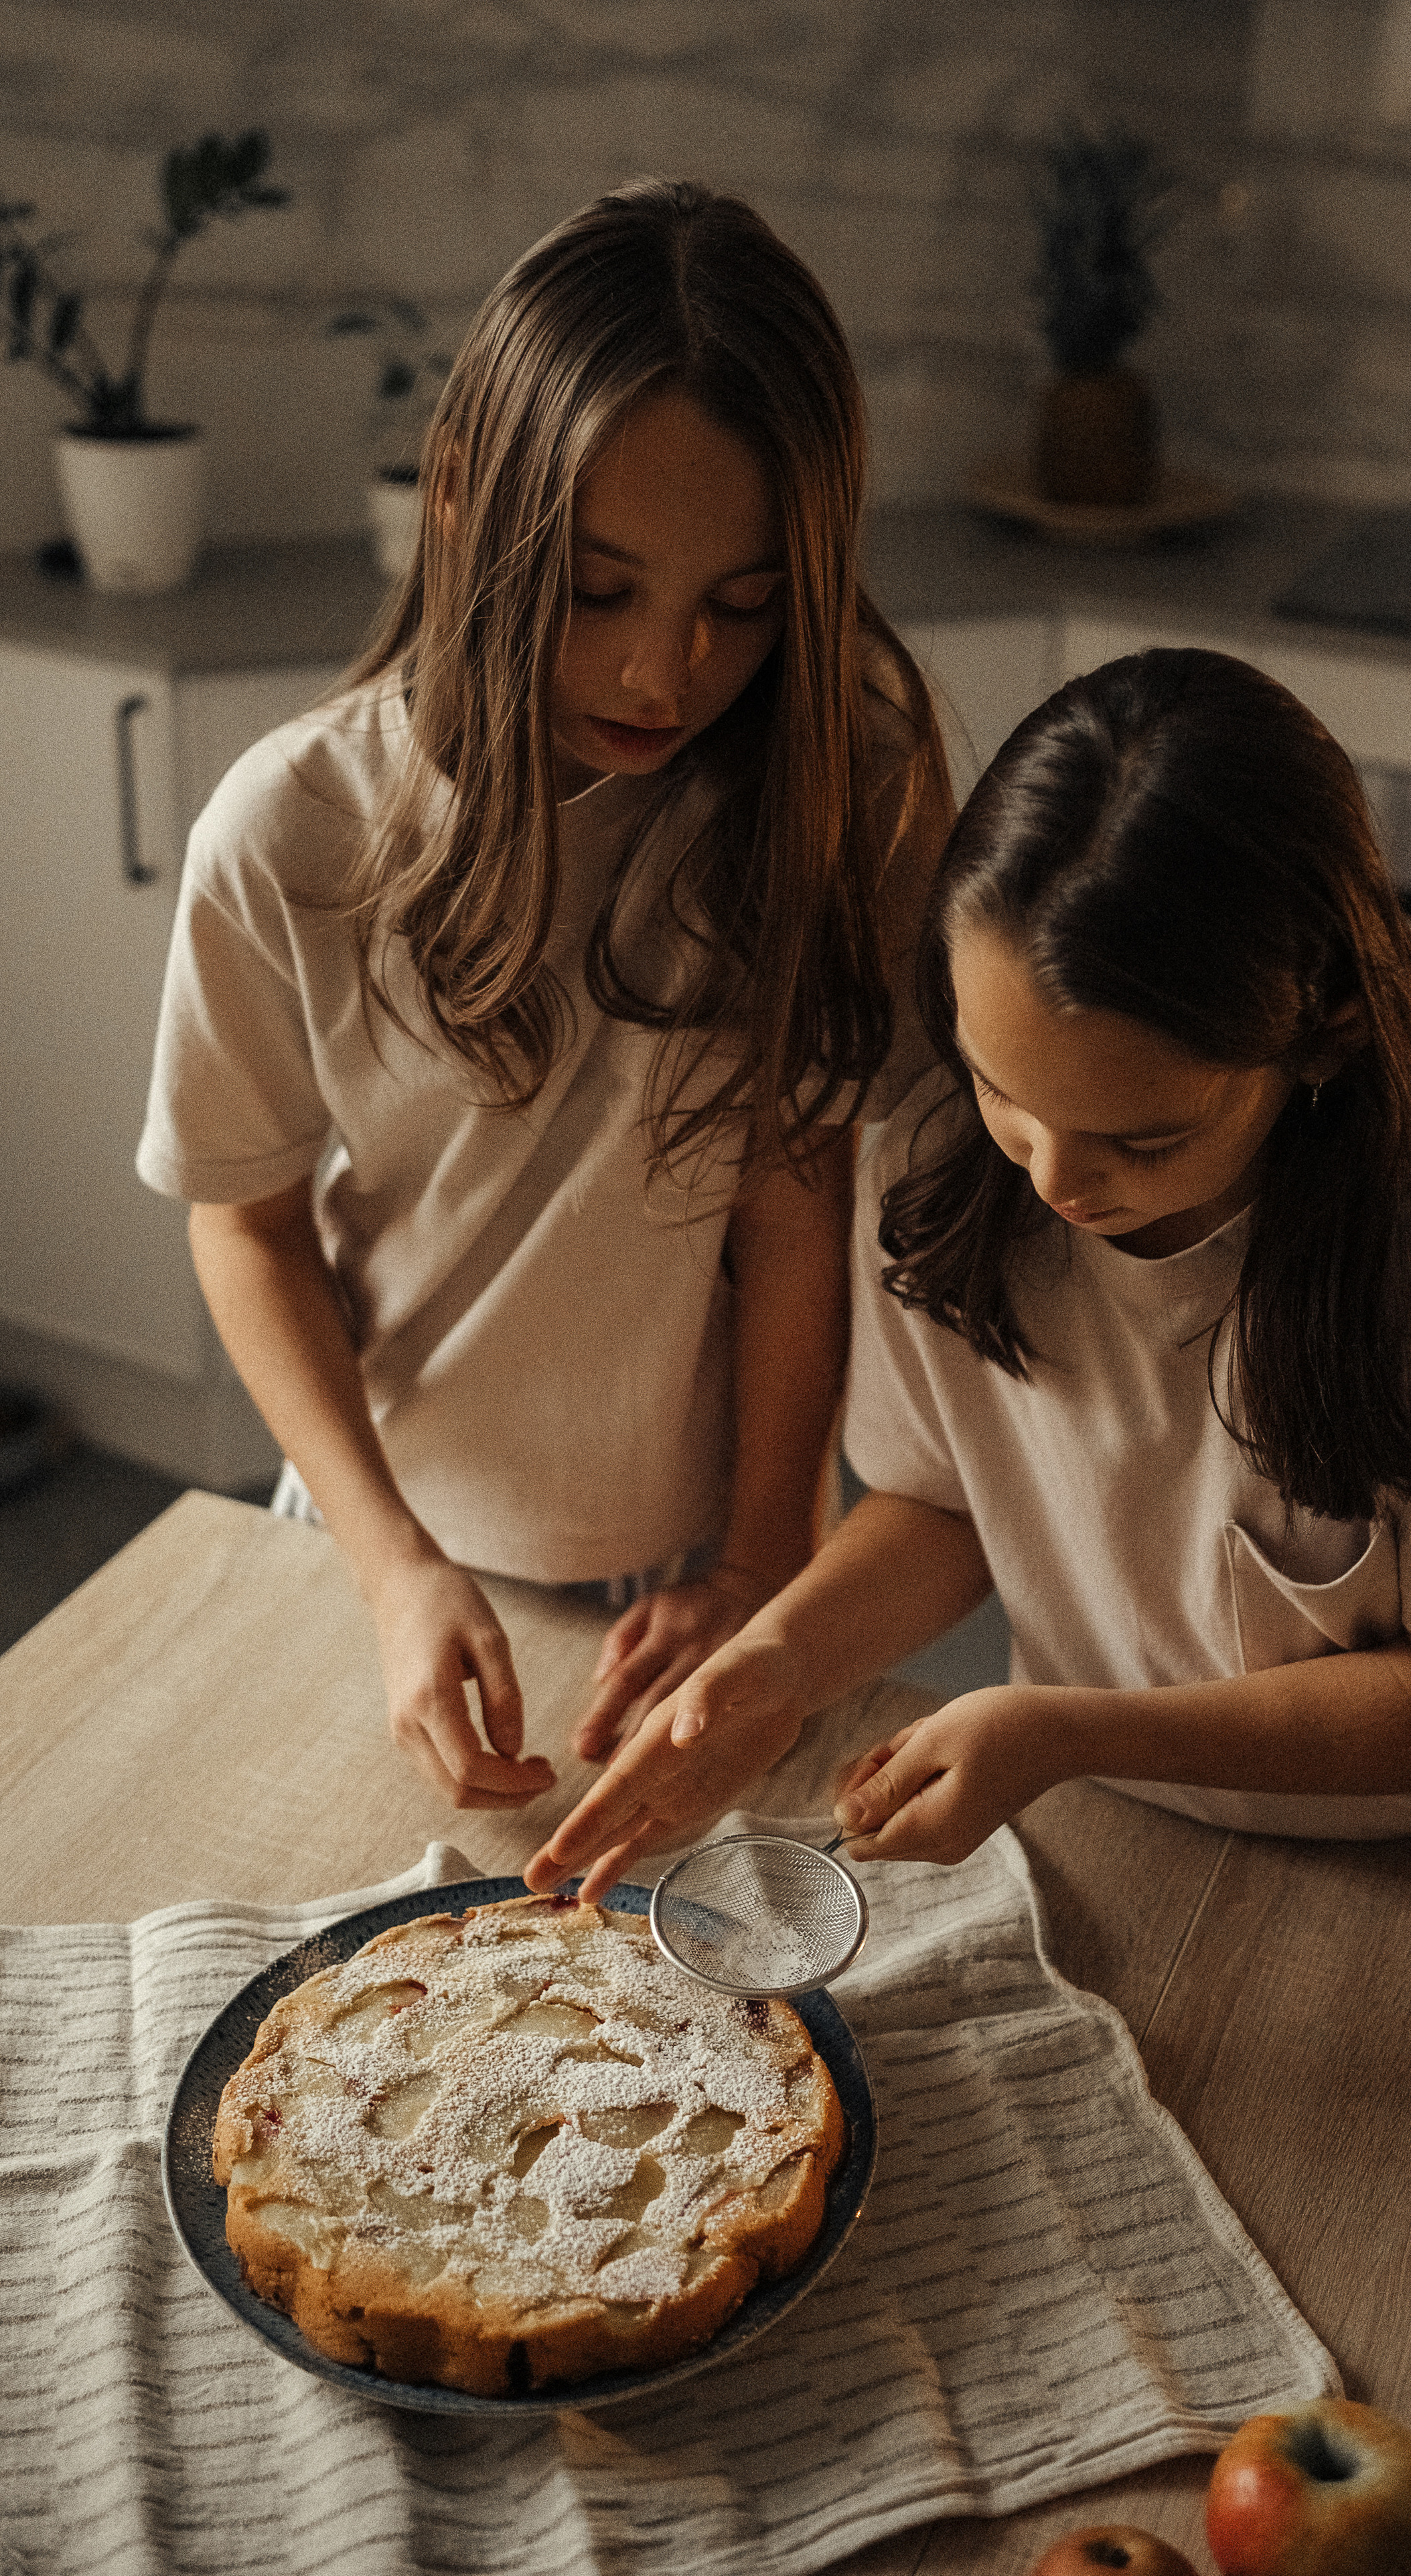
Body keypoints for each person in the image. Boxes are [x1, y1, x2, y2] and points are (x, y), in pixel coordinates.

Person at [524, 646, 1411, 1903]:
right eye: (1004, 1089)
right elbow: (941, 1506)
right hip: (1118, 1836)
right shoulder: (933, 1167)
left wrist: (1068, 1728)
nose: (1055, 1181)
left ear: (1321, 1030)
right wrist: (782, 1659)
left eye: (1146, 1138)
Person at [137, 180, 952, 1810]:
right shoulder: (291, 830)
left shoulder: (843, 781)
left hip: (706, 1555)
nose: (666, 675)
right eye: (599, 592)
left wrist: (764, 1555)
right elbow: (246, 1221)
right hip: (383, 1539)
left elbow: (797, 1196)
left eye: (740, 607)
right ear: (459, 504)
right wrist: (388, 1569)